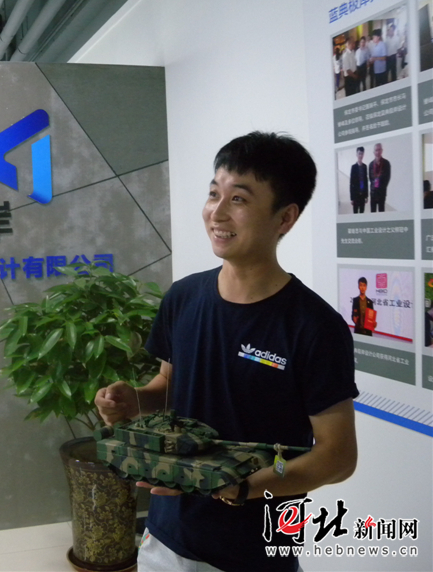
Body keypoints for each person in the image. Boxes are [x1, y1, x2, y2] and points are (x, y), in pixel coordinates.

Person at [95, 132, 358, 572]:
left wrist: (240, 487)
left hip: (254, 553)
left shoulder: (314, 326)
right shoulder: (183, 298)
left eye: (238, 199)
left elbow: (337, 456)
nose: (217, 212)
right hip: (167, 537)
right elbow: (170, 387)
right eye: (214, 193)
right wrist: (133, 401)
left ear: (285, 217)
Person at [368, 142, 391, 212]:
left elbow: (387, 178)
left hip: (382, 193)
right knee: (373, 212)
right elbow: (370, 179)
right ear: (373, 152)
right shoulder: (371, 165)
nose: (377, 152)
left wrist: (381, 188)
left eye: (379, 150)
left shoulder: (386, 163)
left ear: (382, 150)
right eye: (376, 150)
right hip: (373, 193)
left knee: (381, 211)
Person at [349, 146, 368, 213]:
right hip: (356, 195)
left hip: (362, 194)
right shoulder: (353, 167)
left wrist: (366, 196)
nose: (360, 155)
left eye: (362, 153)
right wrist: (352, 198)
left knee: (362, 212)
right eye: (359, 153)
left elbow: (366, 181)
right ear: (356, 154)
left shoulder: (365, 166)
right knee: (355, 213)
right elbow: (351, 183)